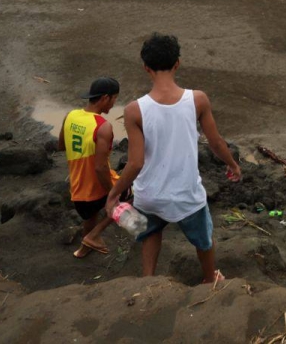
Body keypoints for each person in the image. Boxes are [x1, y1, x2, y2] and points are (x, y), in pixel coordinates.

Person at [107, 33, 241, 284]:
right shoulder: (198, 100)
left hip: (150, 194)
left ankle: (147, 281)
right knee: (203, 240)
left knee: (149, 232)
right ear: (177, 63)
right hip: (186, 195)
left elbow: (135, 163)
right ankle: (209, 278)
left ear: (146, 67)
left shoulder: (134, 110)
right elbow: (216, 142)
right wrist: (233, 164)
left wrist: (114, 193)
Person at [58, 77, 121, 258]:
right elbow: (100, 168)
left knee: (90, 216)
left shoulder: (70, 116)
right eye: (115, 99)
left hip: (77, 190)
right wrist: (112, 194)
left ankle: (82, 250)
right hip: (95, 189)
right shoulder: (103, 127)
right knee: (130, 195)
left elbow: (61, 146)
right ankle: (96, 235)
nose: (114, 103)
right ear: (105, 98)